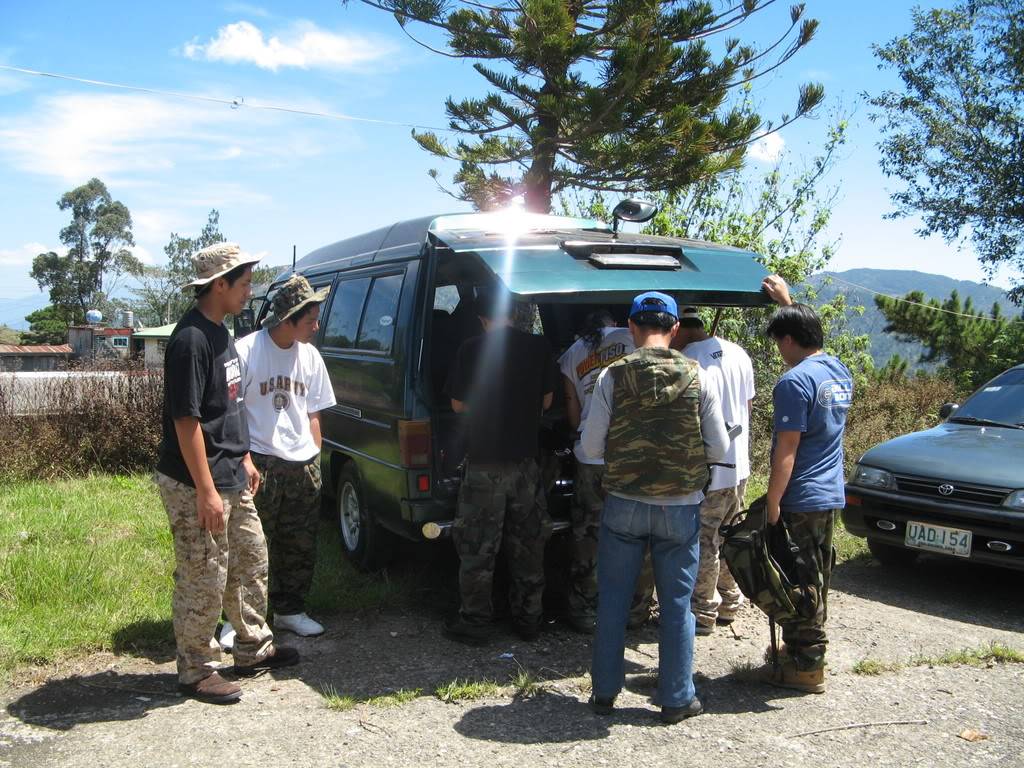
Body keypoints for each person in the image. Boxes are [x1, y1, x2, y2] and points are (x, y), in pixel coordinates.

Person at [155, 242, 298, 705]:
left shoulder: (223, 331)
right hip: (198, 481)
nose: (249, 290)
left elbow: (229, 405)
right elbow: (186, 421)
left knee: (251, 559)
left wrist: (244, 457)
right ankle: (195, 669)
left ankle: (253, 648)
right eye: (244, 282)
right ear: (219, 285)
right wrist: (205, 490)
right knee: (204, 573)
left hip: (231, 472)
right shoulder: (191, 340)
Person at [582, 292, 729, 724]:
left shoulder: (612, 375)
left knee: (612, 600)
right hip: (680, 507)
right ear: (675, 329)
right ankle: (677, 698)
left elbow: (591, 447)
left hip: (624, 503)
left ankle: (605, 693)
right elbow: (720, 446)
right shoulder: (700, 375)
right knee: (678, 605)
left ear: (631, 328)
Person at [218, 275, 336, 649]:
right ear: (289, 319)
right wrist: (246, 459)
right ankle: (237, 621)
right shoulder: (247, 350)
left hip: (302, 464)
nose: (317, 326)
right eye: (311, 319)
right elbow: (230, 411)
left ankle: (289, 611)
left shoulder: (310, 356)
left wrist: (314, 456)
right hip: (260, 463)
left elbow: (314, 410)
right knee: (248, 547)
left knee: (299, 544)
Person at [442, 284, 558, 645]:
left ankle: (475, 622)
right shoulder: (538, 347)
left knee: (478, 547)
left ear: (482, 319)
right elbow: (548, 400)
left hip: (484, 466)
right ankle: (529, 620)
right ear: (513, 314)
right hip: (525, 464)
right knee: (528, 545)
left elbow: (458, 406)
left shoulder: (471, 349)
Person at [758, 274, 852, 694]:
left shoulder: (794, 382)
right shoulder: (836, 370)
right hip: (828, 493)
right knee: (816, 575)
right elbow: (806, 331)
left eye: (780, 341)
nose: (779, 351)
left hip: (800, 496)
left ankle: (806, 667)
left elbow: (787, 451)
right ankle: (802, 655)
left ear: (791, 339)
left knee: (797, 581)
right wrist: (786, 302)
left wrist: (772, 502)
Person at [671, 307, 756, 635]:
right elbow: (748, 407)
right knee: (729, 532)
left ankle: (703, 611)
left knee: (704, 538)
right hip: (741, 463)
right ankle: (730, 601)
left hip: (711, 467)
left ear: (681, 330)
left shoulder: (690, 361)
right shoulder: (739, 352)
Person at [558, 310, 639, 633]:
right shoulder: (633, 340)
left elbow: (573, 410)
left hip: (591, 455)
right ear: (614, 323)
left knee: (589, 532)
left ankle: (585, 608)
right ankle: (634, 609)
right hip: (630, 454)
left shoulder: (572, 354)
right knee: (633, 530)